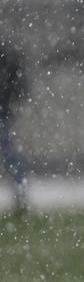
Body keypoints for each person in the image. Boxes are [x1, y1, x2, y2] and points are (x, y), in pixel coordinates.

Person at [0, 39, 28, 214]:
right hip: (5, 110)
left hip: (3, 111)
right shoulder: (9, 56)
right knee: (9, 153)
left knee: (9, 153)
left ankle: (20, 192)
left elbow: (16, 85)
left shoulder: (7, 57)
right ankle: (20, 191)